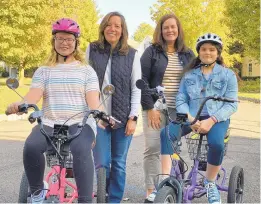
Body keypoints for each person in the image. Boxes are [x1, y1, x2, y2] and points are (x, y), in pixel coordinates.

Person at [6, 18, 101, 203]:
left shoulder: (86, 71)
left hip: (79, 123)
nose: (64, 43)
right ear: (54, 41)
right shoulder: (44, 71)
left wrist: (100, 114)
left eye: (69, 39)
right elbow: (34, 94)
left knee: (81, 149)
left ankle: (85, 200)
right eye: (60, 38)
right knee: (31, 146)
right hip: (50, 121)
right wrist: (20, 104)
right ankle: (37, 193)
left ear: (76, 42)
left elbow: (93, 100)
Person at [160, 33, 238, 204]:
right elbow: (181, 99)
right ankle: (165, 179)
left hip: (217, 118)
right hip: (192, 116)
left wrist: (212, 120)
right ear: (199, 52)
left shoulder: (228, 75)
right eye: (204, 49)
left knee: (217, 143)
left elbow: (232, 104)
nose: (207, 52)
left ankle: (210, 183)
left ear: (218, 53)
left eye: (212, 49)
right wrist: (191, 119)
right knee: (166, 133)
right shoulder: (189, 75)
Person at [85, 11, 141, 203]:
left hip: (123, 117)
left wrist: (133, 117)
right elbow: (84, 82)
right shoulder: (91, 49)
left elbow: (137, 87)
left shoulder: (132, 54)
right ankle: (103, 195)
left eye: (117, 26)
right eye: (109, 24)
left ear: (123, 30)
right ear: (103, 27)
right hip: (97, 117)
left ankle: (114, 199)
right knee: (102, 163)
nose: (113, 29)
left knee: (118, 163)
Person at [140, 13, 195, 202]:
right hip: (155, 106)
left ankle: (170, 186)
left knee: (172, 147)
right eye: (166, 27)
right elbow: (142, 81)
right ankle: (151, 190)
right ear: (160, 31)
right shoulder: (152, 52)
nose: (170, 30)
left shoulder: (188, 54)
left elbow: (195, 81)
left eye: (173, 27)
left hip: (178, 109)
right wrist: (150, 108)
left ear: (178, 29)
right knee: (153, 147)